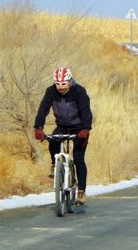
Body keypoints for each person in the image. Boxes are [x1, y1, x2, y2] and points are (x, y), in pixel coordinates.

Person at [34, 67, 93, 205]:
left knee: (78, 158)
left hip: (79, 128)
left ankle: (81, 191)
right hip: (62, 126)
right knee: (53, 141)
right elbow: (43, 109)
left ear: (70, 81)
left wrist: (86, 129)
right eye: (58, 84)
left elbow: (85, 111)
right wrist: (38, 127)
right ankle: (55, 165)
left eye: (63, 84)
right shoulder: (51, 92)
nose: (60, 87)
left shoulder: (79, 91)